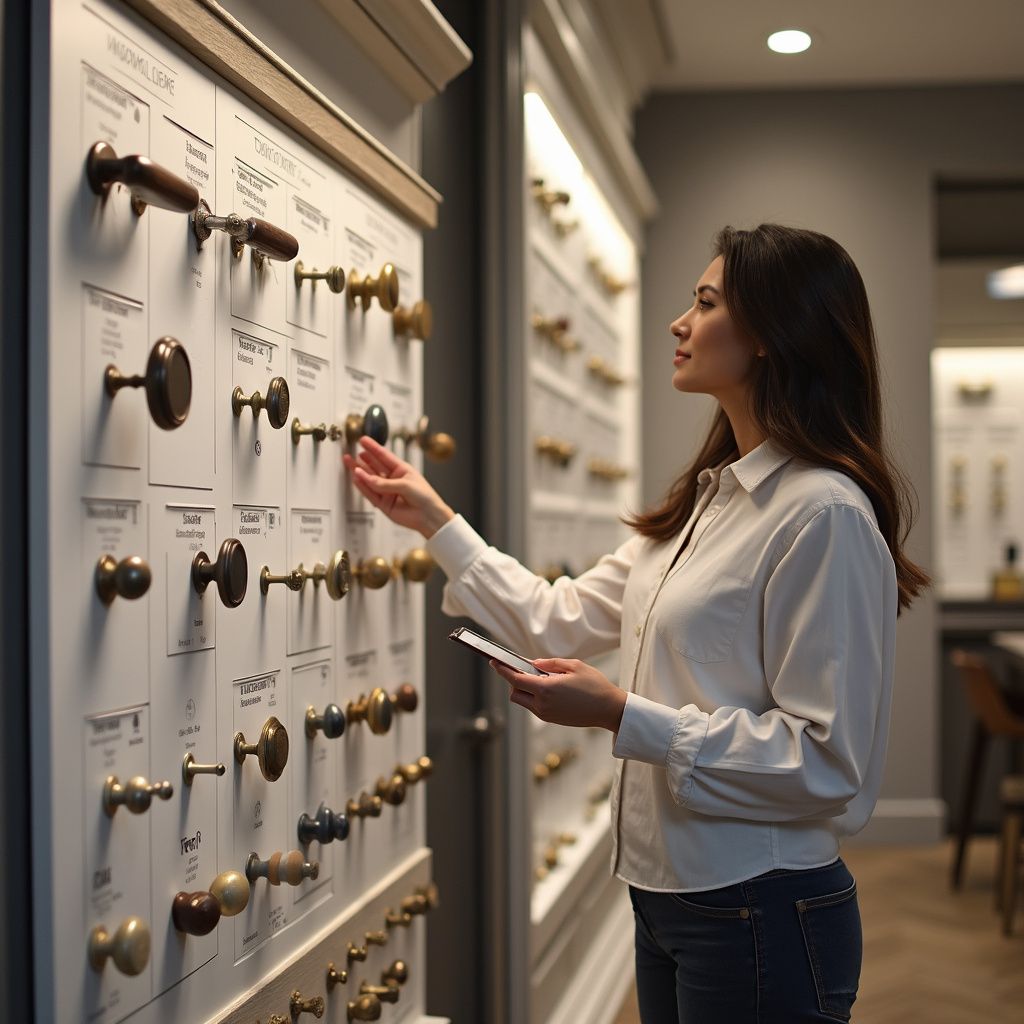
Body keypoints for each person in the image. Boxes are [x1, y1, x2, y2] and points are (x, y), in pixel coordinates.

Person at [342, 223, 929, 1024]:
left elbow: (831, 763)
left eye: (705, 302)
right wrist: (437, 521)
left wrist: (627, 717)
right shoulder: (706, 504)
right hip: (669, 901)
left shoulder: (822, 513)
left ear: (768, 334)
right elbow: (557, 620)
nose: (678, 323)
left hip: (760, 902)